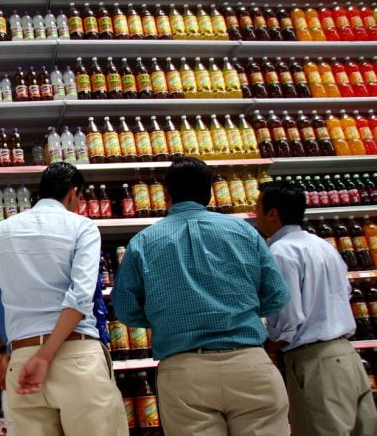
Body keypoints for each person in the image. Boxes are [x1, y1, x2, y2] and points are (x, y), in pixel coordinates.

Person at [112, 156, 291, 436]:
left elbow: (125, 310)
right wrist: (244, 309)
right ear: (210, 192)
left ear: (166, 195)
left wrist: (167, 317)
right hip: (249, 363)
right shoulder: (244, 231)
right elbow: (278, 295)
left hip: (183, 371)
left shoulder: (143, 242)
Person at [0, 162, 128, 436]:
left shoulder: (1, 232)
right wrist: (45, 355)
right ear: (73, 193)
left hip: (21, 360)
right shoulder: (83, 227)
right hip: (75, 356)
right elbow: (80, 297)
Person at [256, 181, 377, 436]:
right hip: (348, 355)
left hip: (314, 362)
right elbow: (345, 293)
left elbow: (287, 314)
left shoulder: (280, 252)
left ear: (273, 213)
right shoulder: (323, 246)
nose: (255, 215)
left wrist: (272, 344)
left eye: (258, 207)